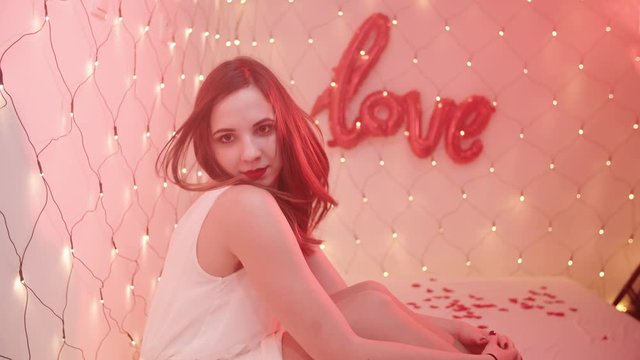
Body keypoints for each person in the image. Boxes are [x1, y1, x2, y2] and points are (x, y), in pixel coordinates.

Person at [141, 56, 522, 360]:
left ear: (284, 128)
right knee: (365, 312)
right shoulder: (244, 206)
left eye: (263, 129)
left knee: (370, 298)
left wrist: (452, 330)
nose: (250, 153)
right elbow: (338, 349)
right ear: (210, 147)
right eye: (228, 138)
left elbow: (347, 305)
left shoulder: (260, 205)